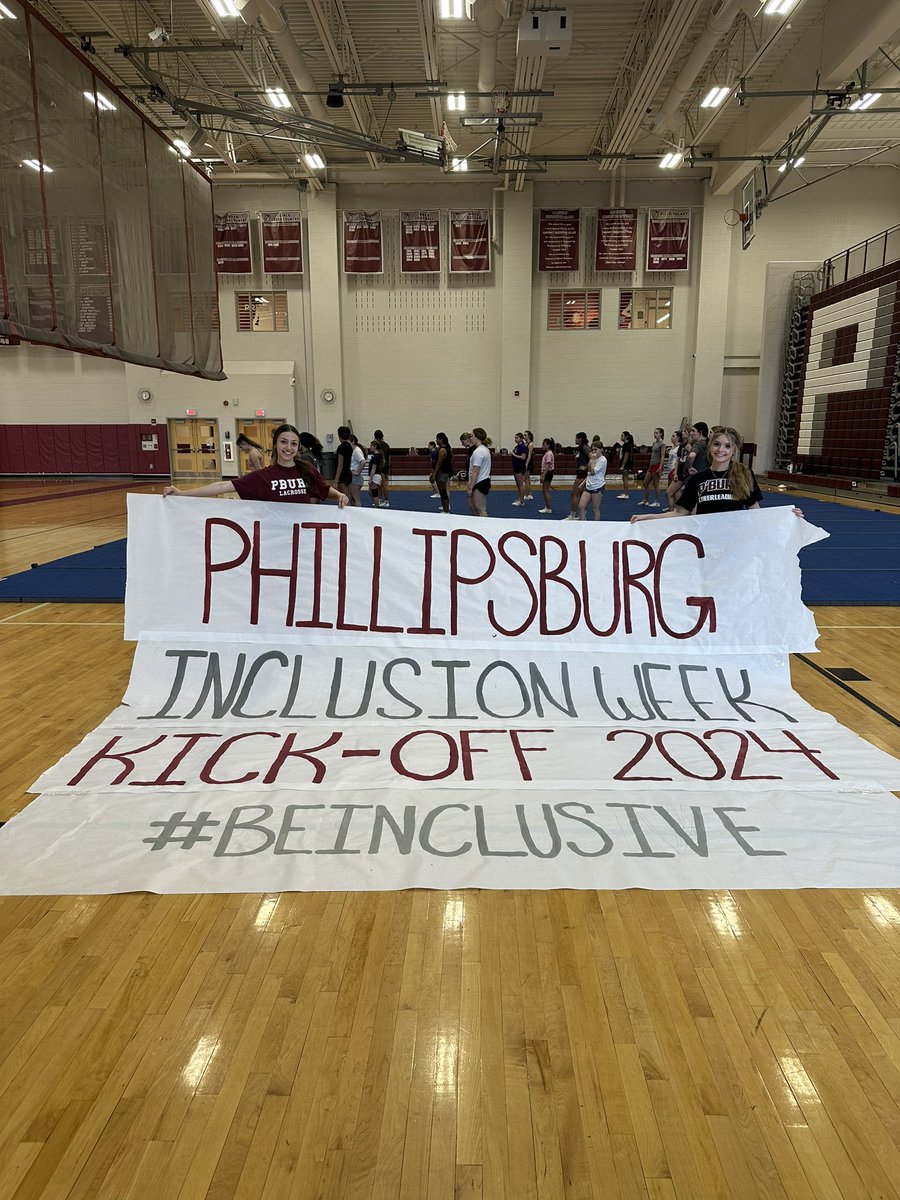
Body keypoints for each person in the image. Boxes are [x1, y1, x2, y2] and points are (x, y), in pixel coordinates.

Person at [630, 425, 801, 522]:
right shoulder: (698, 479)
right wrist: (646, 518)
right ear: (710, 447)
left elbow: (755, 511)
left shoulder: (743, 474)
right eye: (717, 444)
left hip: (735, 541)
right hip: (705, 541)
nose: (721, 450)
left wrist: (785, 516)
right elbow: (680, 513)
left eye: (727, 446)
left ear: (734, 450)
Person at [163, 423, 348, 507]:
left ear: (298, 447)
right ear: (275, 444)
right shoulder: (263, 476)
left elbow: (323, 490)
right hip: (274, 538)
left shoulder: (306, 470)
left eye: (293, 443)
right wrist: (182, 493)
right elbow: (222, 486)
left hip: (302, 537)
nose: (288, 448)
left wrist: (340, 495)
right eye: (283, 442)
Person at [576, 440, 607, 521]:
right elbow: (589, 473)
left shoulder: (603, 460)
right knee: (581, 506)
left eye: (595, 449)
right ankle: (582, 523)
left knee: (595, 508)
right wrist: (583, 482)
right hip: (589, 486)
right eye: (592, 450)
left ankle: (596, 526)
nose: (593, 452)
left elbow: (593, 471)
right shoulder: (593, 459)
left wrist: (592, 460)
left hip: (597, 486)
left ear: (601, 450)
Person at [638, 427, 666, 508]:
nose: (655, 434)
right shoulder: (654, 443)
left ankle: (657, 502)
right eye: (654, 433)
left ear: (661, 434)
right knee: (645, 483)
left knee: (655, 484)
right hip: (651, 465)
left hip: (657, 465)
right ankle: (645, 500)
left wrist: (660, 467)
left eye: (657, 433)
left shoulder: (662, 444)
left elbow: (663, 456)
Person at [467, 427, 492, 517]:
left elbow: (475, 471)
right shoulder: (483, 449)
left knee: (481, 509)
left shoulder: (479, 452)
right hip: (480, 481)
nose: (470, 438)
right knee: (473, 507)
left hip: (480, 481)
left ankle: (484, 528)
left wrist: (471, 487)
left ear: (477, 437)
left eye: (472, 436)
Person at [431, 432, 452, 514]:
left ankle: (446, 510)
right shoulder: (446, 448)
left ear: (441, 439)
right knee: (442, 491)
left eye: (437, 439)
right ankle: (445, 509)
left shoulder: (442, 450)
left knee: (443, 492)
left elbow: (439, 463)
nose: (436, 440)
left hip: (442, 473)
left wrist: (434, 474)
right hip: (444, 472)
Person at [569, 432, 589, 517]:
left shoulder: (585, 447)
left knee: (574, 495)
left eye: (576, 438)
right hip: (581, 474)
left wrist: (586, 467)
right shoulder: (580, 448)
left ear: (580, 439)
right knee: (581, 496)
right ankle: (582, 516)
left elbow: (593, 458)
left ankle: (572, 516)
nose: (575, 439)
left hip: (582, 475)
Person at [334, 426, 353, 500]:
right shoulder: (349, 445)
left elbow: (340, 465)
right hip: (348, 472)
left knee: (343, 497)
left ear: (339, 436)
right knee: (348, 496)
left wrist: (336, 481)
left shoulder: (341, 447)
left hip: (343, 475)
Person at [373, 429, 391, 507]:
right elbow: (389, 457)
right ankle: (382, 500)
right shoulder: (386, 445)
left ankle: (385, 501)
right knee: (382, 484)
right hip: (385, 466)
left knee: (381, 484)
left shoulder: (377, 445)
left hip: (380, 466)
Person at [511, 433, 528, 506]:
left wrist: (514, 455)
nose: (515, 439)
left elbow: (523, 457)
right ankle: (519, 498)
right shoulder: (518, 446)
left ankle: (521, 501)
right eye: (515, 438)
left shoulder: (522, 447)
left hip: (520, 467)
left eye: (517, 438)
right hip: (516, 466)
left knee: (521, 484)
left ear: (521, 438)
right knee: (518, 484)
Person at [538, 437, 555, 513]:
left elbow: (548, 465)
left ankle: (548, 508)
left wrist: (543, 475)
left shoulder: (549, 454)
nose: (542, 446)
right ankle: (547, 506)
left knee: (545, 491)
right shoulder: (548, 453)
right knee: (546, 490)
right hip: (548, 473)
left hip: (548, 473)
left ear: (548, 445)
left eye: (543, 444)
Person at [617, 431, 635, 499]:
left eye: (622, 436)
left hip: (627, 464)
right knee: (624, 478)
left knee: (625, 478)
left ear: (626, 437)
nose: (621, 437)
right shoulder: (625, 444)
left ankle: (626, 494)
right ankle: (625, 492)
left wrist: (623, 465)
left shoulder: (627, 444)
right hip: (625, 463)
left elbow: (626, 455)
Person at [348, 434, 365, 506]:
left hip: (355, 477)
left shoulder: (357, 451)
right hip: (352, 476)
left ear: (353, 442)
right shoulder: (353, 451)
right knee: (350, 498)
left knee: (356, 498)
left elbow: (363, 461)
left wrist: (358, 472)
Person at [522, 430, 535, 501]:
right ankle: (530, 494)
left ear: (529, 436)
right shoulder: (526, 444)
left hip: (528, 462)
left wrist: (526, 464)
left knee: (526, 479)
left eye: (525, 435)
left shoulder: (530, 444)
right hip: (526, 461)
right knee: (527, 479)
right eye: (524, 435)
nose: (524, 436)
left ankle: (526, 495)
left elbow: (529, 455)